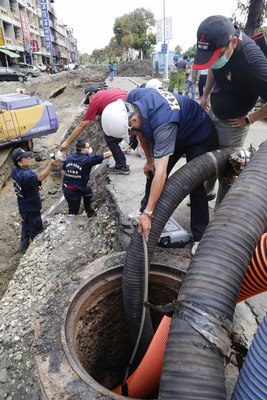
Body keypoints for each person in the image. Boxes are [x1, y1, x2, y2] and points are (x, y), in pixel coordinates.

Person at [101, 88, 218, 255]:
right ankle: (145, 209)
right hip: (177, 131)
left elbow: (162, 173)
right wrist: (149, 161)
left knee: (195, 182)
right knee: (152, 170)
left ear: (133, 120)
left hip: (198, 134)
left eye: (129, 132)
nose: (130, 135)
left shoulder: (163, 123)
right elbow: (140, 134)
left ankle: (200, 236)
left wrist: (149, 214)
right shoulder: (134, 99)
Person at [193, 15, 267, 207]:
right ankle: (206, 194)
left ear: (233, 43)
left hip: (234, 122)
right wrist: (205, 95)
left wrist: (251, 119)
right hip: (215, 110)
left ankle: (221, 215)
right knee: (208, 156)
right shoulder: (219, 47)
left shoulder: (253, 61)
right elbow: (212, 69)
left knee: (228, 167)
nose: (213, 61)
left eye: (216, 56)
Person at [59, 85, 130, 175]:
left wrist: (67, 142)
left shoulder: (96, 100)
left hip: (123, 112)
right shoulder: (112, 91)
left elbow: (82, 125)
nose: (89, 103)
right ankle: (133, 145)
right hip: (133, 108)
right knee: (134, 130)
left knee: (111, 139)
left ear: (92, 94)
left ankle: (122, 166)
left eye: (88, 100)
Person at [11, 147, 59, 252]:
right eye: (25, 157)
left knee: (26, 222)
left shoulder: (15, 169)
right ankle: (36, 250)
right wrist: (50, 165)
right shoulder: (26, 175)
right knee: (36, 228)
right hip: (32, 207)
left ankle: (23, 245)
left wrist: (35, 185)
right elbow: (40, 178)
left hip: (23, 205)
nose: (28, 158)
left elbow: (29, 182)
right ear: (19, 162)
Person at [62, 139, 112, 216]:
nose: (90, 148)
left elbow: (65, 168)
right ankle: (71, 224)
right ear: (82, 149)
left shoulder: (70, 157)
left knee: (88, 192)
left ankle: (89, 211)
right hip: (72, 191)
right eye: (88, 147)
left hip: (76, 185)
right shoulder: (88, 160)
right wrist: (118, 151)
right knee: (73, 212)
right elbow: (105, 155)